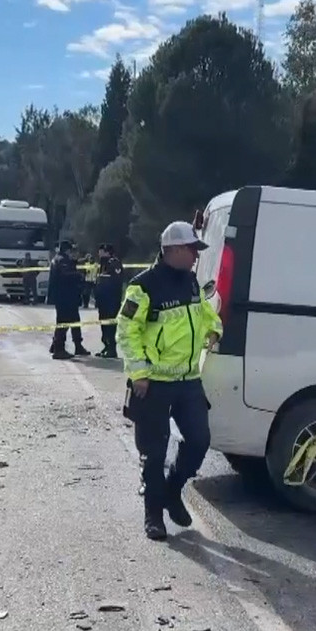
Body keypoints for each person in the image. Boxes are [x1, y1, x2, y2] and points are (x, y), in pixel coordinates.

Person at [117, 221, 222, 541]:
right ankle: (153, 515)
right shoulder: (143, 286)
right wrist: (139, 374)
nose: (195, 256)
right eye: (192, 250)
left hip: (189, 380)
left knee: (199, 441)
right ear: (173, 250)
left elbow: (204, 313)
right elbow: (127, 331)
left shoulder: (191, 281)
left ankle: (172, 491)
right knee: (154, 450)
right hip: (153, 384)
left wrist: (214, 328)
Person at [47, 241, 89, 359]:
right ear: (67, 250)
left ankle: (76, 345)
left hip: (67, 297)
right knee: (63, 322)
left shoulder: (60, 259)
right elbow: (65, 275)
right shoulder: (61, 261)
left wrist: (81, 261)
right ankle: (58, 349)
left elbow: (71, 263)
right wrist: (78, 276)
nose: (72, 253)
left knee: (74, 320)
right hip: (64, 297)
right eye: (71, 251)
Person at [94, 243, 125, 358]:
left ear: (107, 251)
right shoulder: (103, 264)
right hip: (103, 300)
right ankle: (106, 346)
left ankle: (112, 348)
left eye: (101, 251)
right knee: (103, 324)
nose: (99, 253)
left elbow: (115, 280)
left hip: (111, 300)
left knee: (110, 325)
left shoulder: (114, 262)